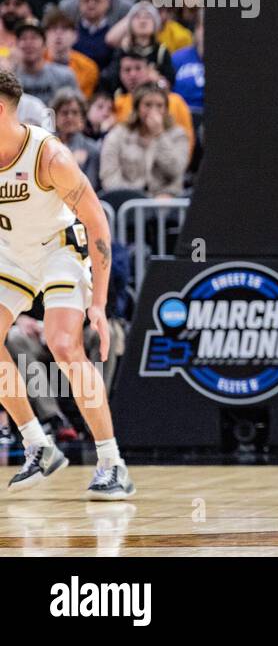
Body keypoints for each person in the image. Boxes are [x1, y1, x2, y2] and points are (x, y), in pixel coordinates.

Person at [0, 69, 133, 498]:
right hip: (12, 255)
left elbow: (97, 220)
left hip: (60, 249)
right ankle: (38, 445)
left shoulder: (48, 157)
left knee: (63, 344)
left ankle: (112, 462)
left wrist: (99, 302)